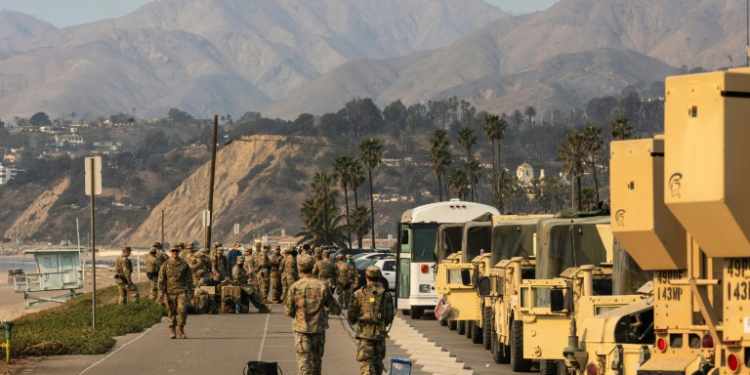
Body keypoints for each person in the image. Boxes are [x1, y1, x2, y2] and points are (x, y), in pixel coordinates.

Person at [285, 255, 341, 375]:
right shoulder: (322, 285)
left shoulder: (295, 287)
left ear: (300, 269)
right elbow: (335, 308)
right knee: (316, 366)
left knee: (305, 366)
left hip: (302, 330)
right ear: (313, 268)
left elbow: (288, 310)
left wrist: (299, 315)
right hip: (318, 330)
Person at [348, 266, 394, 375]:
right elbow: (389, 317)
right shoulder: (386, 295)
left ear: (366, 277)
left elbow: (351, 316)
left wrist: (357, 319)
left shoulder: (358, 293)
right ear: (379, 277)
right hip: (379, 335)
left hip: (365, 334)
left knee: (366, 365)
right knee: (378, 364)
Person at [158, 245, 194, 339]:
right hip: (169, 292)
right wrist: (160, 291)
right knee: (171, 312)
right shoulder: (166, 264)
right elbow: (161, 278)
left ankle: (180, 329)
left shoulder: (184, 264)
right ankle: (172, 330)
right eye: (173, 251)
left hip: (182, 291)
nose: (175, 253)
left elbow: (189, 278)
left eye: (176, 251)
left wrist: (191, 290)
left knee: (182, 310)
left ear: (179, 252)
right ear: (170, 252)